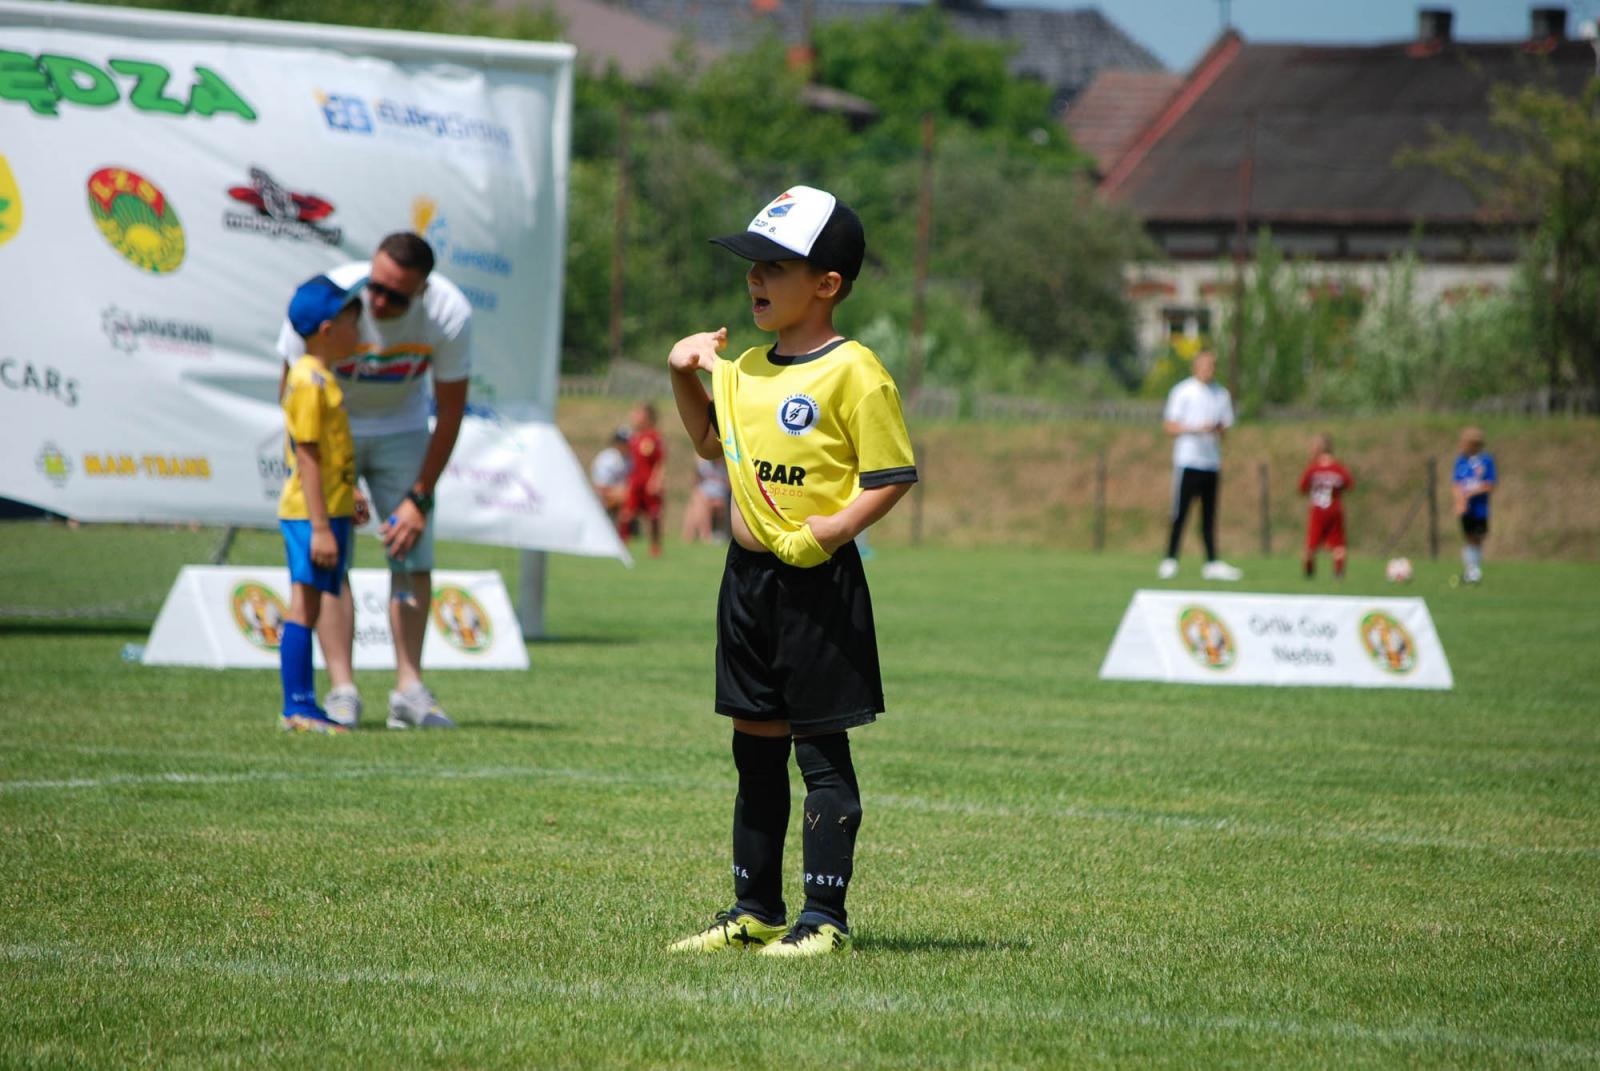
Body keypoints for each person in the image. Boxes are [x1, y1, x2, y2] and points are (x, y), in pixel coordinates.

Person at [664, 185, 917, 958]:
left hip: (817, 585)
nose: (756, 280)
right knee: (754, 746)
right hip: (747, 583)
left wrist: (832, 531)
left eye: (775, 266)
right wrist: (684, 374)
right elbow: (712, 446)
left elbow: (892, 474)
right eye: (751, 265)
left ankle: (823, 917)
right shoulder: (743, 369)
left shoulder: (855, 371)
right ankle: (755, 907)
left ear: (828, 284)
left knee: (820, 750)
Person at [276, 232, 470, 730]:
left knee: (411, 551)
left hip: (402, 429)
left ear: (423, 292)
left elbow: (449, 411)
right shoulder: (331, 298)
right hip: (331, 432)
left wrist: (417, 500)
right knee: (330, 556)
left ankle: (409, 689)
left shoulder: (448, 313)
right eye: (374, 288)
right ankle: (342, 690)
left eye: (396, 296)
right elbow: (292, 401)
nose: (377, 303)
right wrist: (335, 475)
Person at [276, 274, 368, 733]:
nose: (362, 332)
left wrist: (347, 493)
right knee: (304, 607)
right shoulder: (309, 380)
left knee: (309, 605)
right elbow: (307, 454)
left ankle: (302, 705)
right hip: (308, 515)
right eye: (355, 323)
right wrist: (320, 526)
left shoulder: (321, 378)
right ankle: (298, 706)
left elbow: (326, 454)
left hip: (325, 509)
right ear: (329, 329)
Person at [1158, 350, 1241, 581]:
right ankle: (1170, 559)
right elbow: (1170, 426)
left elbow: (1226, 427)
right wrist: (1196, 428)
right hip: (1188, 460)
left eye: (1212, 366)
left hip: (1211, 462)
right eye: (1204, 366)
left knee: (1209, 515)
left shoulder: (1221, 394)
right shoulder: (1183, 391)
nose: (1208, 370)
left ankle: (1211, 562)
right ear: (1195, 367)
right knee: (1180, 512)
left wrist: (1216, 429)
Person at [1298, 432, 1355, 580]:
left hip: (1317, 510)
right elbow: (1349, 484)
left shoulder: (1313, 469)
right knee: (1338, 544)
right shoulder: (1338, 468)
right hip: (1334, 509)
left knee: (1310, 546)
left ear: (1318, 449)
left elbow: (1302, 488)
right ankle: (1338, 574)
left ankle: (1309, 574)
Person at [616, 401, 666, 557]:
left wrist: (657, 481)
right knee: (626, 513)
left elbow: (660, 461)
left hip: (649, 483)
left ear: (648, 417)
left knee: (653, 517)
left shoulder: (654, 437)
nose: (634, 416)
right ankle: (622, 543)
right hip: (635, 483)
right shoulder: (634, 437)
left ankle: (655, 547)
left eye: (638, 413)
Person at [1452, 426, 1496, 584]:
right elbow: (1456, 484)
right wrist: (1459, 502)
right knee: (1468, 537)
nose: (1461, 445)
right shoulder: (1460, 461)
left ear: (1474, 444)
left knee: (1477, 538)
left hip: (1479, 508)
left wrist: (1470, 493)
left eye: (1465, 443)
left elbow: (1490, 485)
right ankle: (1471, 571)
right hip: (1466, 509)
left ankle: (1474, 570)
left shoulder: (1486, 461)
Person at [681, 455, 730, 543]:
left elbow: (728, 486)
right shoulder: (705, 467)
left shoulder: (725, 468)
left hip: (720, 498)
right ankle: (702, 534)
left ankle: (701, 535)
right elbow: (695, 482)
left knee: (698, 504)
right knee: (698, 503)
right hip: (706, 498)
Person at [590, 425, 631, 525]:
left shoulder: (632, 459)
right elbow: (600, 488)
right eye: (621, 442)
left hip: (623, 496)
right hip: (604, 499)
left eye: (626, 442)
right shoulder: (606, 459)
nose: (624, 445)